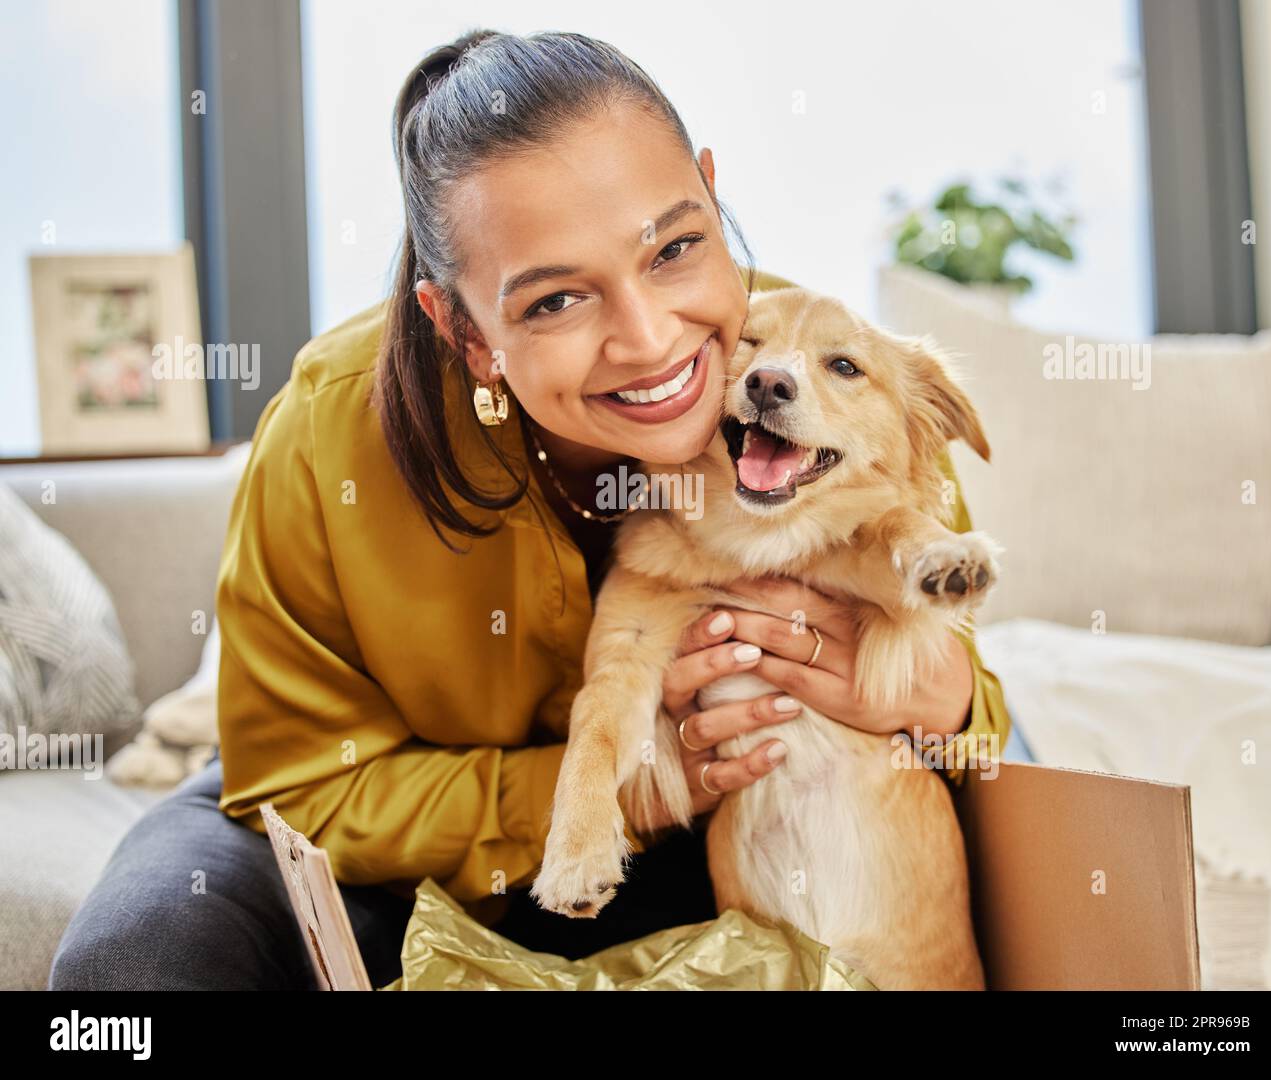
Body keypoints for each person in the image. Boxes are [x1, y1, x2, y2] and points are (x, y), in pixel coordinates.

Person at [49, 28, 1011, 991]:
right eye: (555, 302)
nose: (647, 341)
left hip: (724, 840)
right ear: (463, 330)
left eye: (676, 247)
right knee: (132, 968)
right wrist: (621, 784)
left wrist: (942, 700)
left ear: (714, 202)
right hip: (408, 850)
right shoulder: (325, 429)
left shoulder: (837, 386)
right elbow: (300, 785)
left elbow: (968, 705)